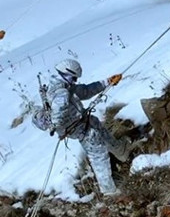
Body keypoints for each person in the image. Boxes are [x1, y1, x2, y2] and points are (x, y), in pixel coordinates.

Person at [41, 58, 130, 196]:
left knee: (100, 129)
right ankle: (109, 190)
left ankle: (121, 152)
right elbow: (58, 116)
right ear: (66, 74)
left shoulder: (63, 87)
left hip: (85, 122)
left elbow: (85, 91)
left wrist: (107, 82)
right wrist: (57, 124)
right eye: (74, 78)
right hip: (80, 129)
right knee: (98, 155)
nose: (75, 81)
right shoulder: (61, 93)